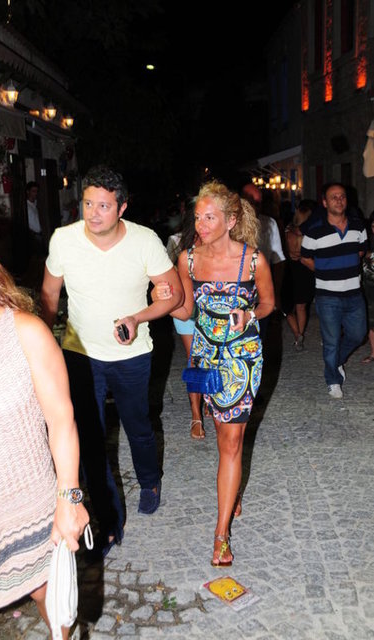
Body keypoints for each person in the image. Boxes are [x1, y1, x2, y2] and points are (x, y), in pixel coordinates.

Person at [0, 216, 89, 639]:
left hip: (28, 509)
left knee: (55, 604)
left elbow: (61, 421)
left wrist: (69, 498)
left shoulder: (26, 333)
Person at [41, 165, 183, 557]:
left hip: (131, 355)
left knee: (138, 426)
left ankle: (150, 480)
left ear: (121, 208)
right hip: (81, 354)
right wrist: (44, 342)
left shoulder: (144, 241)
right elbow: (49, 295)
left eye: (103, 206)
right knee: (89, 437)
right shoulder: (64, 240)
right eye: (88, 204)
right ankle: (108, 522)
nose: (93, 213)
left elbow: (173, 294)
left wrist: (138, 318)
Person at [156, 181, 274, 566]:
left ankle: (221, 534)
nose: (201, 225)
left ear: (231, 220)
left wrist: (249, 313)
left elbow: (269, 303)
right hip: (207, 355)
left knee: (232, 441)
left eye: (210, 217)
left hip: (243, 357)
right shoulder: (188, 260)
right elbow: (186, 311)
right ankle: (232, 489)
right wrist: (163, 302)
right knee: (222, 433)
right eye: (198, 217)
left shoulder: (253, 261)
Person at [301, 182, 368, 398]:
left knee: (358, 334)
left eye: (342, 196)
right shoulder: (314, 230)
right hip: (327, 295)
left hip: (354, 293)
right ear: (325, 202)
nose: (339, 200)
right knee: (331, 341)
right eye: (333, 197)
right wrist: (325, 270)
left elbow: (361, 251)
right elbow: (305, 257)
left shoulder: (358, 226)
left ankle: (336, 361)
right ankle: (332, 379)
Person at [166, 204, 204, 439]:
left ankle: (209, 398)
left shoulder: (220, 240)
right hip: (186, 310)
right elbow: (166, 277)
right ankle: (196, 414)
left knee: (214, 359)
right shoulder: (176, 241)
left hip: (213, 310)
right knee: (195, 359)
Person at [241, 183, 285, 338]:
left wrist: (276, 293)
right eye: (250, 201)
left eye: (258, 203)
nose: (254, 206)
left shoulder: (269, 223)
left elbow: (278, 260)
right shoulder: (229, 224)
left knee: (258, 338)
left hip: (260, 295)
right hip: (235, 295)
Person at [282, 199, 316, 350]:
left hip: (290, 268)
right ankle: (299, 334)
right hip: (304, 269)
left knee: (287, 306)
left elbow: (282, 251)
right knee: (301, 306)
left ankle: (297, 334)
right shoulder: (310, 233)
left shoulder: (287, 231)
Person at [361, 211, 374, 363]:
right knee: (371, 320)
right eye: (373, 225)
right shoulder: (367, 241)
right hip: (369, 286)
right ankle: (373, 352)